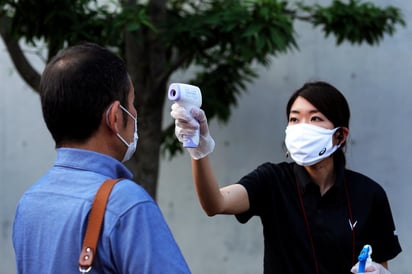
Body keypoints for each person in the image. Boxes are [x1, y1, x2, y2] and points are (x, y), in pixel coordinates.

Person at [170, 81, 401, 274]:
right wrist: (199, 151)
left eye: (315, 119)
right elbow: (215, 203)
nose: (302, 128)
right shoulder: (272, 181)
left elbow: (379, 263)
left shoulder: (369, 194)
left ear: (340, 135)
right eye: (294, 119)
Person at [13, 42, 191, 274]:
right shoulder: (126, 204)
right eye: (131, 103)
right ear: (115, 117)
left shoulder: (29, 203)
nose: (135, 113)